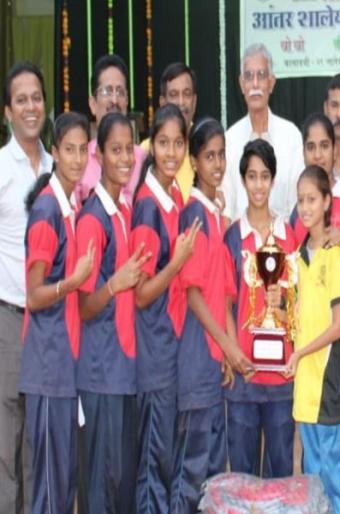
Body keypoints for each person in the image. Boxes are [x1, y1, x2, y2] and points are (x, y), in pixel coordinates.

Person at [75, 111, 151, 513]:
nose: (124, 159)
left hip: (124, 374)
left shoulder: (123, 209)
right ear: (98, 155)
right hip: (101, 374)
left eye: (129, 150)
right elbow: (84, 306)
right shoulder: (93, 220)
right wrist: (115, 284)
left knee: (122, 488)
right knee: (100, 490)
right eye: (115, 150)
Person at [169, 118, 245, 514]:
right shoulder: (193, 215)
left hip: (215, 361)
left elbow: (225, 295)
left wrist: (227, 353)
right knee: (191, 471)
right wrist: (227, 346)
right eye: (209, 156)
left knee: (213, 475)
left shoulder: (216, 216)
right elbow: (194, 294)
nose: (217, 164)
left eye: (221, 155)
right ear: (194, 162)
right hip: (197, 356)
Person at [19, 112, 94, 514]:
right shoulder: (48, 209)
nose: (78, 159)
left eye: (83, 150)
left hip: (65, 368)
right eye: (69, 150)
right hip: (48, 367)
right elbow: (33, 295)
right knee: (49, 491)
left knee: (63, 488)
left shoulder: (71, 206)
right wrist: (72, 281)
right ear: (54, 153)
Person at [131, 104, 200, 513]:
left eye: (178, 143)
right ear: (151, 147)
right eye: (163, 143)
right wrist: (176, 262)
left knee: (168, 460)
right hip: (154, 353)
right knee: (154, 464)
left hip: (171, 349)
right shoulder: (147, 206)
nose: (171, 152)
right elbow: (141, 293)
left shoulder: (175, 197)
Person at [222, 138, 297, 479]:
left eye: (264, 177)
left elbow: (299, 303)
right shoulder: (233, 237)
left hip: (281, 377)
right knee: (242, 478)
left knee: (280, 477)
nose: (258, 185)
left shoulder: (288, 236)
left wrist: (282, 303)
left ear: (273, 179)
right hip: (245, 376)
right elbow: (226, 302)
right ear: (243, 180)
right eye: (252, 177)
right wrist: (233, 352)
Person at [0, 61, 52, 514]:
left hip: (50, 324)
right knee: (6, 445)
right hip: (9, 319)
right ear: (7, 112)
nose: (31, 107)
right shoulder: (1, 168)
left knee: (40, 440)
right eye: (21, 100)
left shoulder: (58, 167)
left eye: (36, 98)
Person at [286, 165, 340, 513]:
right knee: (312, 479)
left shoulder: (335, 254)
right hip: (304, 388)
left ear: (327, 202)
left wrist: (301, 354)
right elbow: (295, 319)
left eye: (312, 199)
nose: (305, 207)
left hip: (328, 381)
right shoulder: (295, 260)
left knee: (334, 480)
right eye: (301, 200)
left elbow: (338, 326)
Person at [221, 44, 304, 221]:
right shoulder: (229, 140)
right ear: (241, 84)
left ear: (271, 83)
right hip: (240, 237)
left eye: (261, 75)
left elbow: (297, 207)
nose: (255, 84)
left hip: (283, 236)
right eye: (249, 76)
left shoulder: (291, 137)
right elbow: (227, 209)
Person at [76, 54, 146, 205]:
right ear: (93, 104)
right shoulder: (80, 160)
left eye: (120, 92)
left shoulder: (142, 158)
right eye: (107, 91)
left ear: (127, 101)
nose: (114, 100)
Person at [290, 113, 340, 248]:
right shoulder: (299, 208)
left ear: (335, 151)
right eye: (311, 147)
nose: (317, 155)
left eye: (324, 146)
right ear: (303, 154)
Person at [140, 62, 198, 201]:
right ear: (162, 102)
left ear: (194, 101)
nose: (181, 102)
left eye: (187, 94)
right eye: (173, 94)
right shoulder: (145, 150)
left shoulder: (204, 147)